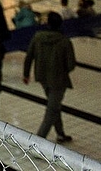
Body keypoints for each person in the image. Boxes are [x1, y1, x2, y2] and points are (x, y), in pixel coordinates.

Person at [23, 11, 76, 143]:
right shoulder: (65, 41)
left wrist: (26, 74)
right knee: (52, 110)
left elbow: (29, 56)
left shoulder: (38, 37)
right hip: (58, 80)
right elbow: (71, 65)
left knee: (54, 106)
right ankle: (37, 142)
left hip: (42, 77)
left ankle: (60, 134)